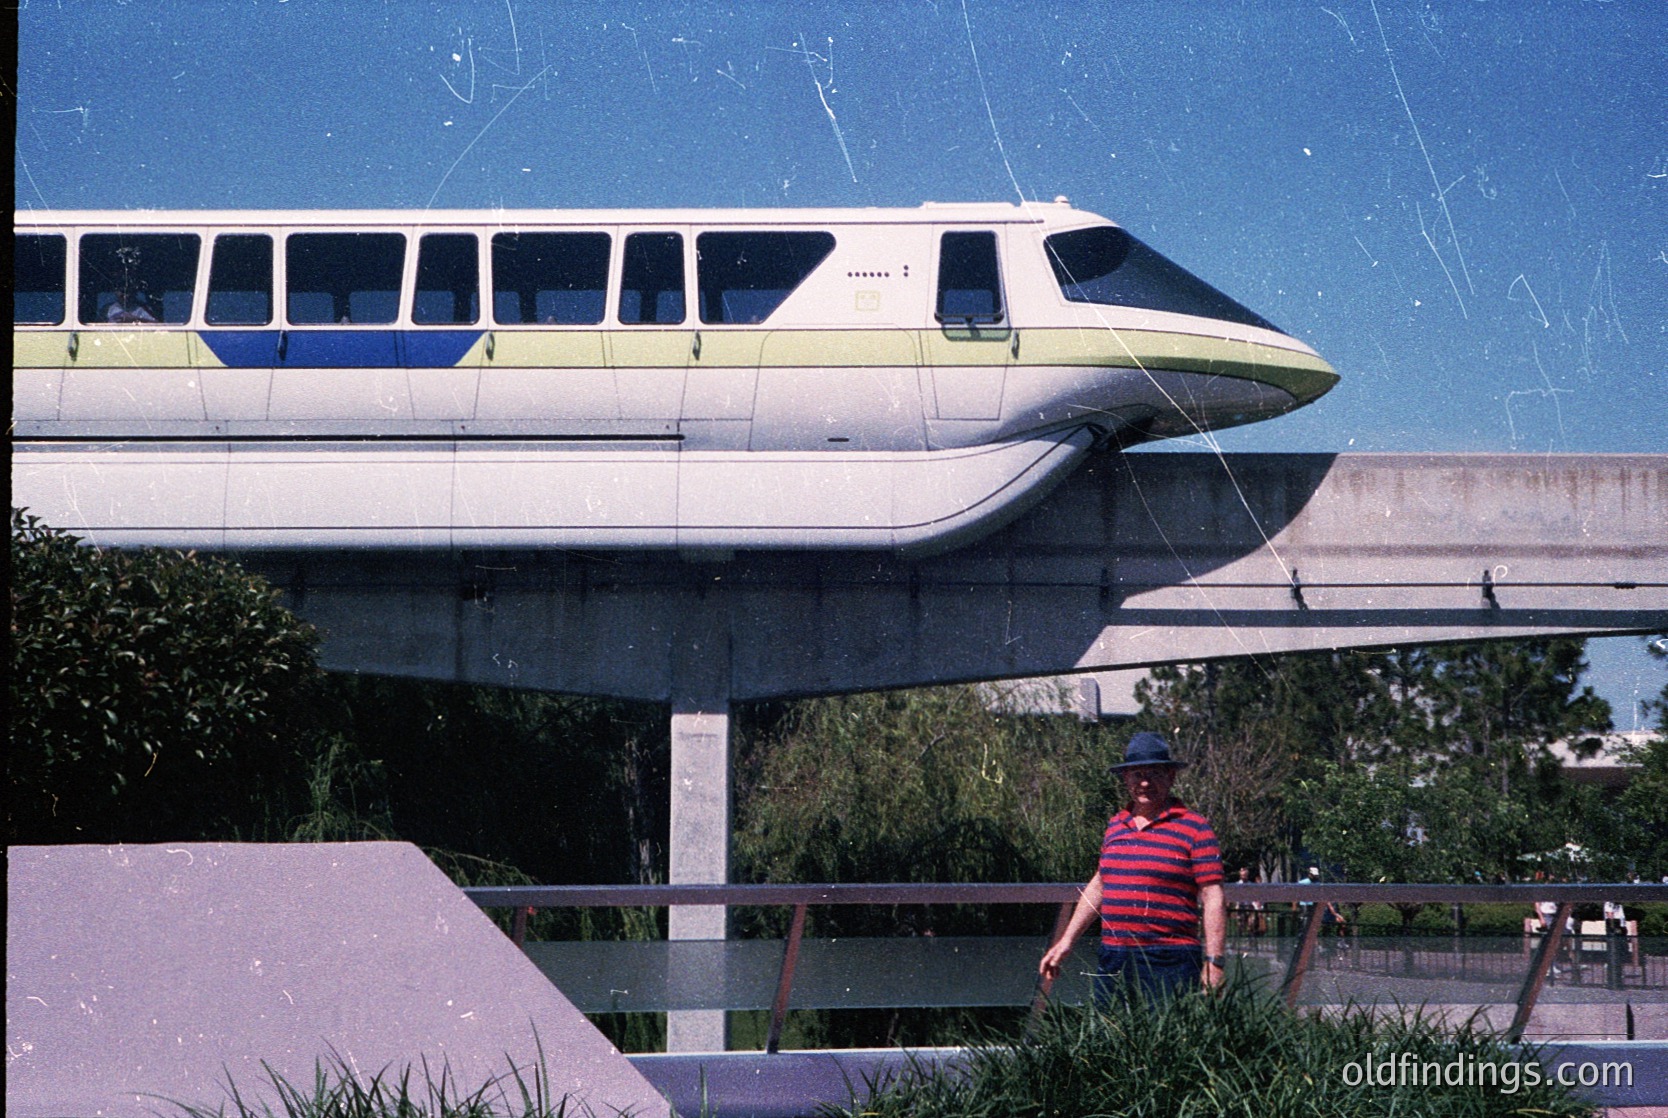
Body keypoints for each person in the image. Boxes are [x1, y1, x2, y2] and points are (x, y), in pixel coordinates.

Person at [1039, 732, 1226, 1002]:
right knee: (1112, 1039)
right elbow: (1101, 884)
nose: (1145, 782)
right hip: (1114, 955)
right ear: (1126, 779)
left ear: (1171, 777)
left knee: (1168, 1041)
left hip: (1169, 959)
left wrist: (1215, 962)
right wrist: (1067, 940)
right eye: (1137, 774)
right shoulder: (1116, 825)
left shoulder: (1195, 828)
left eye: (1155, 774)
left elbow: (1213, 897)